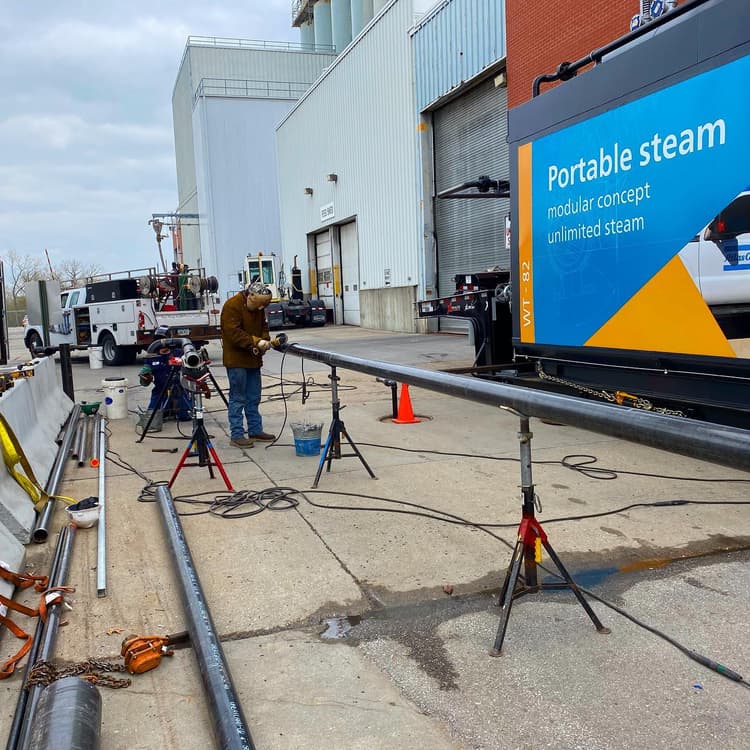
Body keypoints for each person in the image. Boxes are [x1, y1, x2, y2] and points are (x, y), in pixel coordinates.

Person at [220, 281, 277, 448]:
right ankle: (237, 435)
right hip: (236, 360)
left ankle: (255, 430)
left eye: (263, 306)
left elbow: (263, 326)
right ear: (250, 297)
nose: (260, 309)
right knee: (238, 398)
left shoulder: (259, 307)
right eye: (259, 305)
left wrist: (265, 341)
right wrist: (256, 342)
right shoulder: (232, 306)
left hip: (253, 359)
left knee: (253, 397)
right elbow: (233, 332)